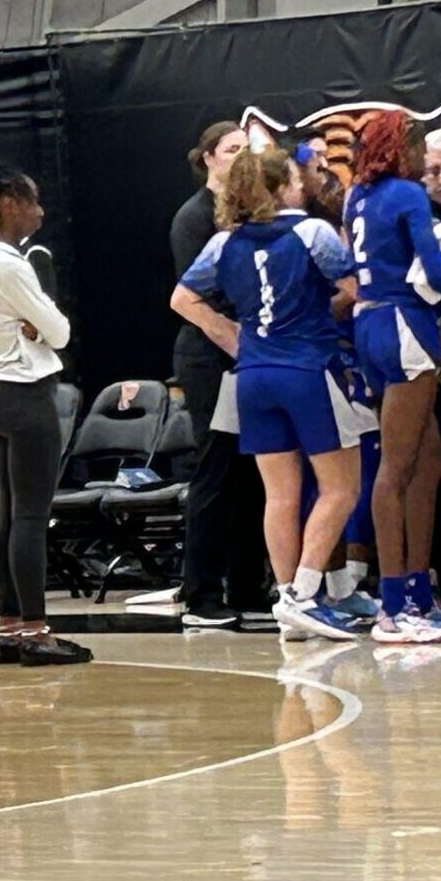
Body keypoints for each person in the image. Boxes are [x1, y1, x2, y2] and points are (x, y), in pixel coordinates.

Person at [170, 147, 363, 642]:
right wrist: (327, 311)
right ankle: (301, 595)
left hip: (252, 374)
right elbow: (352, 289)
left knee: (279, 494)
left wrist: (233, 334)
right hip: (308, 369)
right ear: (281, 188)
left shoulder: (224, 241)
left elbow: (181, 298)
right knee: (341, 487)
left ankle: (285, 597)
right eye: (296, 178)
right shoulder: (312, 231)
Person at [347, 110, 441, 643]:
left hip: (371, 324)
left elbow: (385, 253)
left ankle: (415, 589)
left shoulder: (356, 195)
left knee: (426, 463)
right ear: (401, 149)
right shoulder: (407, 194)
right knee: (398, 466)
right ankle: (394, 603)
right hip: (407, 325)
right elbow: (434, 274)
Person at [0, 159, 89, 664]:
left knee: (10, 515)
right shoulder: (9, 263)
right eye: (33, 202)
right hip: (26, 393)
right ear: (10, 204)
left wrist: (31, 324)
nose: (40, 212)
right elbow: (59, 331)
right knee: (32, 518)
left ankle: (11, 627)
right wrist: (39, 325)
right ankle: (36, 631)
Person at [173, 121, 271, 628]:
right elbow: (194, 300)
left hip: (246, 355)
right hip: (209, 358)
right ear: (208, 157)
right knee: (214, 469)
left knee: (253, 470)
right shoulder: (194, 218)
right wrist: (235, 340)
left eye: (245, 150)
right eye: (231, 150)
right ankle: (200, 592)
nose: (239, 157)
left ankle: (249, 583)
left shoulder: (249, 215)